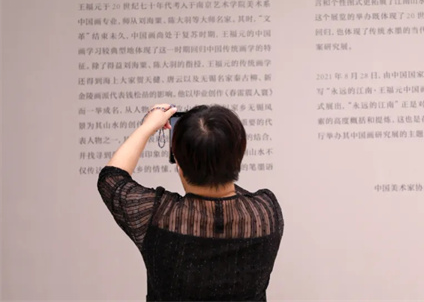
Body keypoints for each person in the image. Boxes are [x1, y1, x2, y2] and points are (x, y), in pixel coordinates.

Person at [97, 103, 284, 301]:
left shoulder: (158, 214)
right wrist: (217, 160)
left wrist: (148, 127)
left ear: (177, 160)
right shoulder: (266, 210)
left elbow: (111, 178)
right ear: (239, 154)